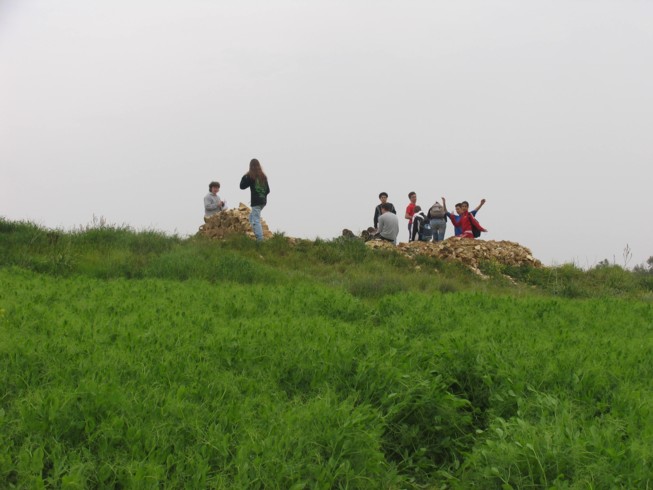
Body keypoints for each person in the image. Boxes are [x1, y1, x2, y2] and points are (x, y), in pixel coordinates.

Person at [239, 158, 270, 241]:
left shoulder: (250, 176)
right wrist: (262, 196)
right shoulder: (263, 176)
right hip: (263, 201)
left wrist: (245, 176)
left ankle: (260, 240)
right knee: (251, 217)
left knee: (256, 220)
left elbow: (242, 186)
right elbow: (268, 190)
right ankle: (255, 234)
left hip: (256, 202)